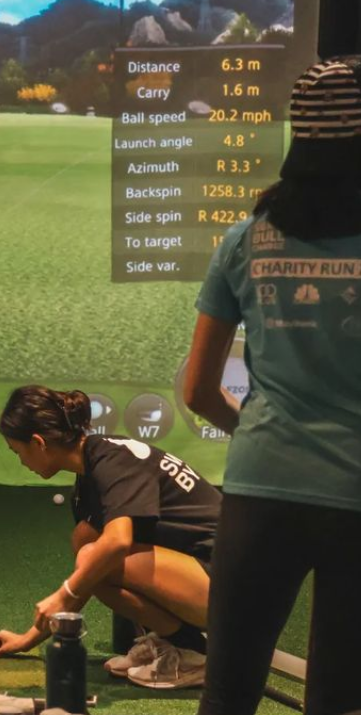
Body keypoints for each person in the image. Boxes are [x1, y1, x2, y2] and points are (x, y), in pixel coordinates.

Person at [187, 59, 361, 715]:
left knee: (226, 694)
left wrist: (259, 433)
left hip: (259, 489)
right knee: (337, 698)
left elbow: (198, 389)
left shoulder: (244, 239)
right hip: (354, 497)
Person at [0, 385, 221, 689]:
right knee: (86, 544)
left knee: (94, 555)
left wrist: (64, 593)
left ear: (38, 442)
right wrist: (29, 638)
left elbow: (117, 544)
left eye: (18, 452)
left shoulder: (112, 460)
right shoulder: (90, 475)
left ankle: (194, 655)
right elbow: (91, 573)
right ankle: (177, 642)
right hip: (200, 577)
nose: (21, 461)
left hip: (233, 588)